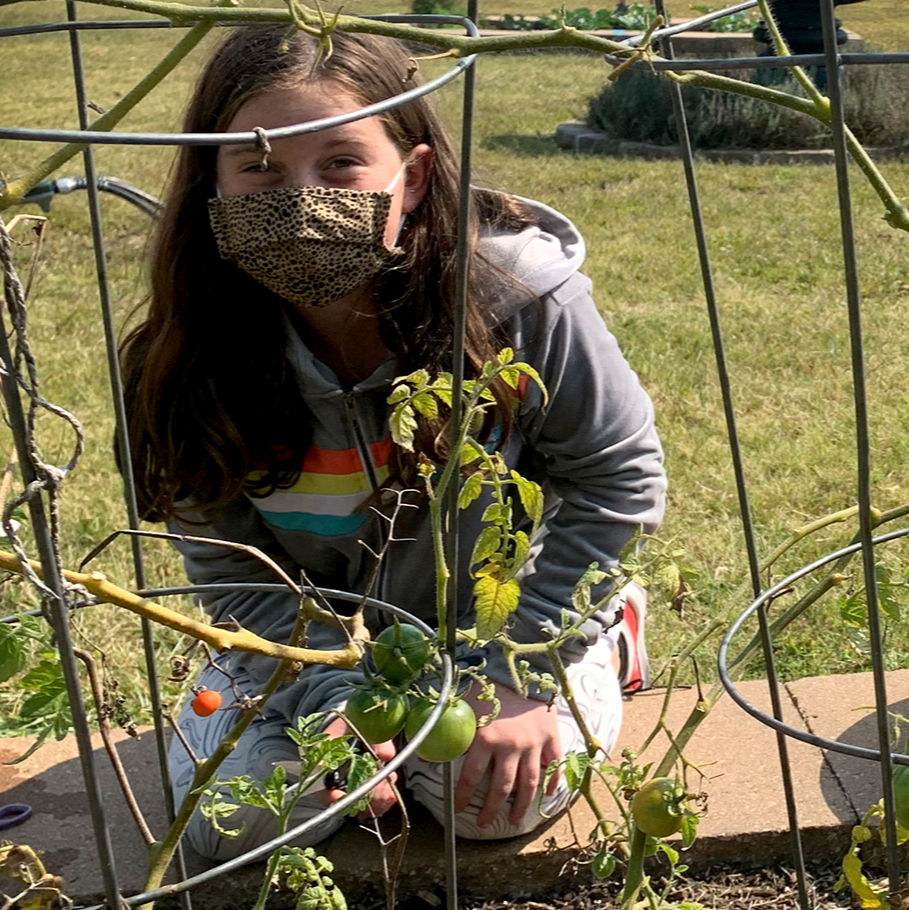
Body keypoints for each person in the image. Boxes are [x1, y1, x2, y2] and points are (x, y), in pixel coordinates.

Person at [120, 25, 666, 860]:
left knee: (489, 804)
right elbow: (232, 572)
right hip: (307, 643)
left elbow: (617, 480)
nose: (300, 200)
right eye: (259, 166)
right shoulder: (188, 356)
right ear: (213, 185)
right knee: (240, 825)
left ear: (408, 179)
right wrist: (330, 698)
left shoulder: (521, 304)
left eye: (340, 164)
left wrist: (518, 674)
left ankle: (609, 634)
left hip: (508, 623)